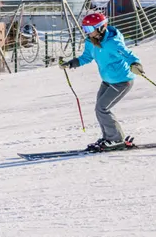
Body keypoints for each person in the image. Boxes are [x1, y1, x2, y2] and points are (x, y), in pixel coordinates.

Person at [59, 11, 145, 151]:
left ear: (100, 27)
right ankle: (108, 138)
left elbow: (128, 55)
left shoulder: (113, 43)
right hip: (107, 80)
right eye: (85, 29)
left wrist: (136, 64)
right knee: (100, 109)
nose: (87, 32)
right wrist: (71, 63)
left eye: (89, 29)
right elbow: (86, 57)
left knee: (102, 108)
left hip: (122, 80)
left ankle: (116, 139)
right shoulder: (91, 42)